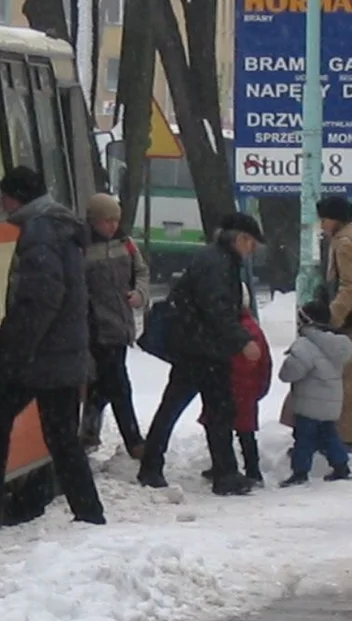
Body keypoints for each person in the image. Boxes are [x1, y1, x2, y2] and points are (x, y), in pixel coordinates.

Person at [0, 165, 105, 527]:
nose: (2, 203)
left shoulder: (40, 233)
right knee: (62, 438)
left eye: (5, 197)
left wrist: (8, 350)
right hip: (61, 352)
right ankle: (89, 512)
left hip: (41, 356)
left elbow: (40, 299)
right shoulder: (58, 225)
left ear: (16, 197)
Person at [137, 212, 264, 496]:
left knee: (202, 408)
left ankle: (216, 471)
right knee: (206, 409)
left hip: (199, 347)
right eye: (252, 243)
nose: (252, 249)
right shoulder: (217, 263)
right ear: (241, 238)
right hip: (202, 350)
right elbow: (216, 307)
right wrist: (243, 339)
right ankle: (218, 473)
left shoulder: (218, 259)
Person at [80, 193, 150, 459]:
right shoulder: (82, 248)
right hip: (95, 328)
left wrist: (139, 294)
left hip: (120, 326)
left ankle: (89, 430)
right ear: (93, 221)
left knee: (103, 383)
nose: (112, 225)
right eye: (106, 220)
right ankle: (133, 441)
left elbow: (141, 272)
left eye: (115, 220)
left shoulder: (126, 244)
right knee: (118, 384)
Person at [198, 282, 272, 486]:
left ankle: (221, 464)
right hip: (247, 390)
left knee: (216, 428)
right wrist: (261, 387)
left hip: (226, 386)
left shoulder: (223, 329)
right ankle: (253, 470)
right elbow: (265, 362)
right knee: (246, 432)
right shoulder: (254, 330)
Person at [278, 300, 352, 487]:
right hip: (332, 402)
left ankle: (300, 471)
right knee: (330, 435)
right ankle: (341, 466)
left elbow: (289, 373)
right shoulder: (338, 343)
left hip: (309, 404)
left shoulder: (305, 345)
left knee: (304, 438)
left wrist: (288, 363)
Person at [315, 195, 352, 444]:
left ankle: (343, 436)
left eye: (325, 219)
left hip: (348, 320)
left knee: (345, 378)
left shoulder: (344, 242)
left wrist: (333, 317)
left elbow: (348, 285)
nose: (322, 225)